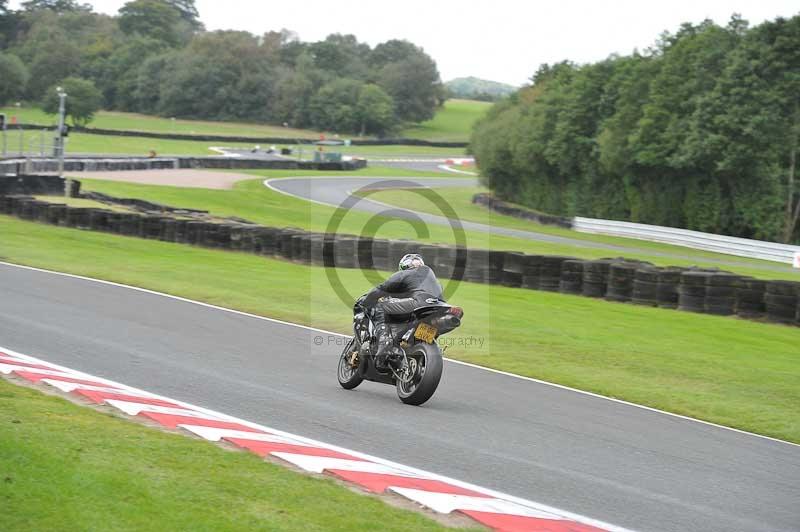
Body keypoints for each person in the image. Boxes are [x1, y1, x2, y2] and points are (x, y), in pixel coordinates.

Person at [363, 253, 443, 369]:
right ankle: (414, 351)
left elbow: (381, 289)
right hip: (437, 309)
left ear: (404, 266)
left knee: (380, 306)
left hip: (418, 304)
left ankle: (384, 346)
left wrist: (366, 301)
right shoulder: (435, 280)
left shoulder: (404, 274)